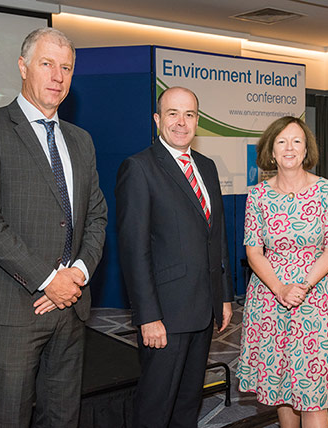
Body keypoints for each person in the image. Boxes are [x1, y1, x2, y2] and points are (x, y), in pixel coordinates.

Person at [0, 28, 108, 427]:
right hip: (11, 310)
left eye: (67, 68)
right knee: (7, 419)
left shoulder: (81, 140)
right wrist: (48, 278)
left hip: (70, 307)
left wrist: (77, 275)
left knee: (62, 418)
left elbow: (96, 215)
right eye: (47, 64)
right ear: (23, 67)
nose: (58, 76)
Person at [115, 86, 234, 428]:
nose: (182, 123)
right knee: (155, 406)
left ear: (197, 120)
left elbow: (217, 238)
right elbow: (134, 250)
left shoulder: (207, 168)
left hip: (204, 309)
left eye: (190, 115)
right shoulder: (139, 168)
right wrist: (148, 316)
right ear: (157, 119)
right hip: (165, 315)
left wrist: (224, 296)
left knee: (188, 403)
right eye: (173, 114)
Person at [237, 116, 328, 428]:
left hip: (315, 300)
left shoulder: (327, 191)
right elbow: (253, 250)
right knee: (281, 385)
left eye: (296, 141)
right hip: (270, 299)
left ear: (306, 149)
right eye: (282, 141)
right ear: (272, 152)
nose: (289, 147)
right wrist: (280, 289)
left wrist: (303, 285)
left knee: (314, 390)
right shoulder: (258, 195)